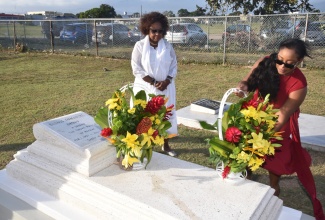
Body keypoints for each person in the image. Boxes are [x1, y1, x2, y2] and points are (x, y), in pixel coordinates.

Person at [236, 38, 324, 220]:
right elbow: (247, 82)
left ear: (299, 62)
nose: (282, 66)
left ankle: (272, 202)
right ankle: (244, 194)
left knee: (274, 169)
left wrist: (263, 137)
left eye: (289, 64)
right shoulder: (265, 62)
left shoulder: (299, 84)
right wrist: (243, 87)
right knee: (246, 160)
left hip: (277, 126)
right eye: (280, 60)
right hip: (255, 116)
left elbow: (284, 114)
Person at [131, 12, 177, 157]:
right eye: (153, 31)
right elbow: (136, 68)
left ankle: (166, 145)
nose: (157, 34)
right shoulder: (139, 46)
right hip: (146, 88)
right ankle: (142, 145)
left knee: (165, 115)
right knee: (144, 116)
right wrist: (154, 82)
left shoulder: (167, 46)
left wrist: (167, 80)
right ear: (146, 30)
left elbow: (173, 65)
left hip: (166, 87)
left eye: (160, 31)